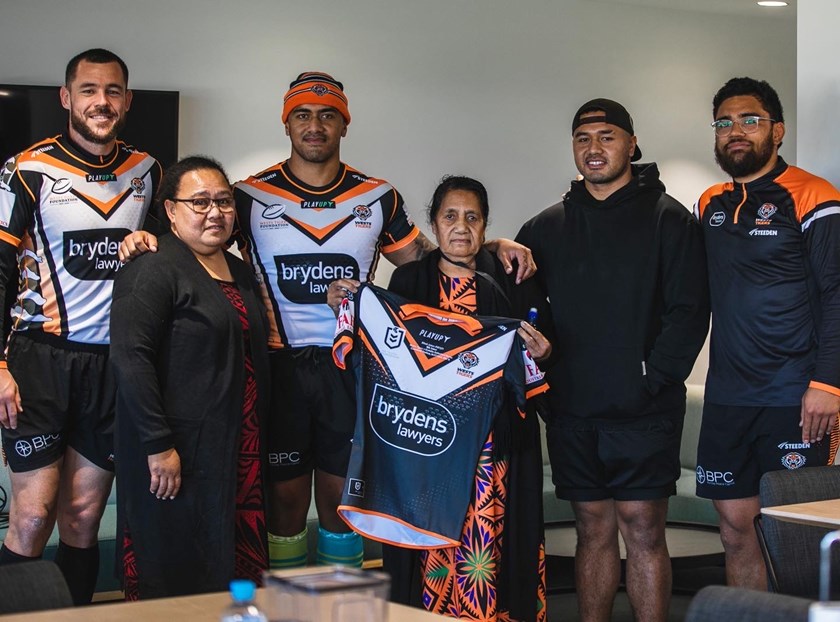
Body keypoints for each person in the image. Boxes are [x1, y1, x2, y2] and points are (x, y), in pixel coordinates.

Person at [120, 71, 535, 570]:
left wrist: (489, 244)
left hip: (351, 369)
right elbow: (198, 240)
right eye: (302, 115)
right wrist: (144, 238)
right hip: (278, 369)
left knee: (344, 508)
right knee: (283, 509)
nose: (314, 125)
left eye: (326, 116)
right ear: (287, 124)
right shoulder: (248, 196)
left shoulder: (379, 197)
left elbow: (433, 257)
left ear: (343, 125)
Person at [515, 99, 710, 622]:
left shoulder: (670, 220)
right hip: (574, 412)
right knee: (591, 531)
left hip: (645, 411)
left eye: (606, 136)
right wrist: (550, 379)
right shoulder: (545, 227)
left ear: (631, 143)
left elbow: (689, 311)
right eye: (583, 138)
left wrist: (654, 378)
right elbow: (530, 318)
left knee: (644, 531)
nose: (594, 148)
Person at [330, 175, 552, 621]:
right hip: (425, 444)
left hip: (491, 447)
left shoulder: (510, 281)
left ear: (485, 227)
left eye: (473, 218)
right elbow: (379, 350)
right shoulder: (408, 279)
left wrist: (541, 354)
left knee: (482, 542)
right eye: (450, 216)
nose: (461, 227)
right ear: (434, 223)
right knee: (425, 543)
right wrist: (346, 304)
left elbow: (537, 359)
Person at [0, 48, 162, 604]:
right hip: (39, 360)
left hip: (112, 367)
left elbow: (166, 263)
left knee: (84, 515)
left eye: (113, 90)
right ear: (67, 98)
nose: (102, 101)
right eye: (89, 90)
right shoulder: (26, 169)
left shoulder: (148, 171)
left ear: (128, 100)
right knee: (30, 516)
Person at [695, 77, 840, 589]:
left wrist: (827, 385)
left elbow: (837, 296)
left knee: (795, 534)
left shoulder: (815, 195)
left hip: (795, 398)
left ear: (777, 131)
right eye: (725, 122)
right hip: (728, 397)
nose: (736, 131)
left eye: (750, 120)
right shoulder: (708, 203)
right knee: (736, 532)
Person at [109, 156, 270, 599]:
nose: (214, 212)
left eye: (223, 201)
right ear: (171, 211)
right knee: (175, 566)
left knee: (232, 570)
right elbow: (130, 358)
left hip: (236, 452)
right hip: (175, 454)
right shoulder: (152, 268)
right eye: (199, 202)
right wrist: (159, 445)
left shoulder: (238, 271)